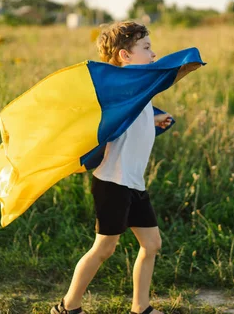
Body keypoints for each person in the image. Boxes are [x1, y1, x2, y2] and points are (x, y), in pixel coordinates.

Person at [52, 21, 172, 314]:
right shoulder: (123, 89)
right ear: (124, 56)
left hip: (133, 183)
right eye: (146, 48)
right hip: (113, 182)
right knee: (104, 248)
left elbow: (130, 120)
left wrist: (154, 119)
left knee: (152, 244)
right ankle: (67, 307)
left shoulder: (138, 89)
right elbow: (112, 120)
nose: (153, 53)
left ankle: (140, 307)